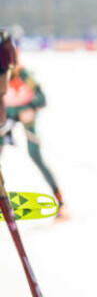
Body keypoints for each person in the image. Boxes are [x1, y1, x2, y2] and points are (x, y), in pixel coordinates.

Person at [0, 42, 67, 218]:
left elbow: (42, 98)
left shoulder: (23, 74)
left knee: (34, 154)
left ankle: (60, 202)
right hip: (6, 116)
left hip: (26, 115)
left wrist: (30, 108)